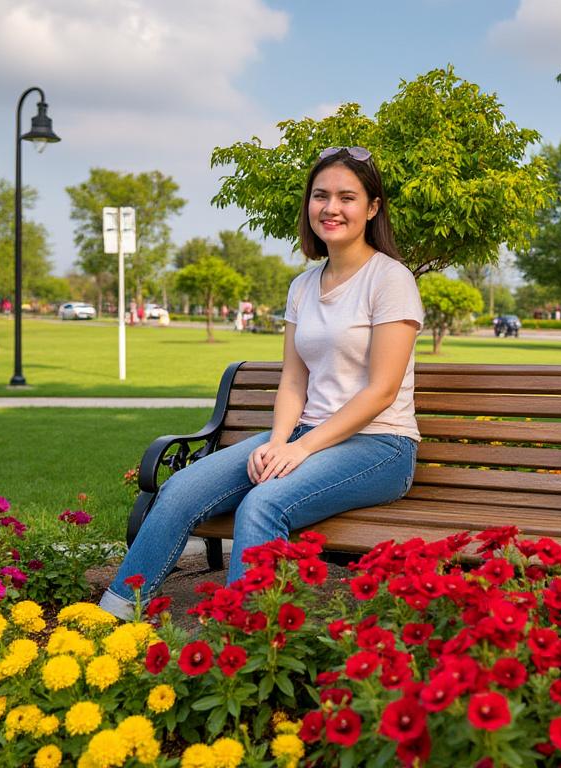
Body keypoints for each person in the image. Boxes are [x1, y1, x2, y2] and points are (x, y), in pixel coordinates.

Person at [98, 146, 424, 619]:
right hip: (303, 435)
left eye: (347, 197)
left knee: (262, 505)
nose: (331, 208)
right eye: (320, 196)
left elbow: (382, 392)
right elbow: (293, 379)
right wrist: (277, 444)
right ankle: (114, 615)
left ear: (372, 208)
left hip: (381, 446)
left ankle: (244, 640)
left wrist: (300, 449)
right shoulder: (303, 287)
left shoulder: (390, 280)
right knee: (180, 490)